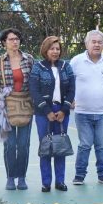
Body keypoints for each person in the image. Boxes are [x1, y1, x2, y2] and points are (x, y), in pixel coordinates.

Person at [69, 30, 103, 185]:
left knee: (102, 146)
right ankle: (79, 175)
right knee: (85, 145)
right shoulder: (76, 61)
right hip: (82, 112)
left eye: (100, 42)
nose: (97, 44)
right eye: (93, 41)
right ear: (86, 43)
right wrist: (71, 99)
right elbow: (68, 83)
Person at [0, 28, 35, 190]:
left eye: (17, 38)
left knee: (23, 144)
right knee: (9, 145)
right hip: (7, 107)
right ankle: (10, 177)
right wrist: (5, 97)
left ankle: (21, 177)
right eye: (11, 39)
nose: (15, 41)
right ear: (4, 42)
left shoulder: (29, 59)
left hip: (26, 104)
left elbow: (34, 81)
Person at [30, 35, 75, 192]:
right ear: (45, 50)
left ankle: (60, 181)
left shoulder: (66, 67)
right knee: (46, 147)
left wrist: (64, 110)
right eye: (52, 48)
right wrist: (47, 111)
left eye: (57, 49)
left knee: (60, 147)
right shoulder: (37, 67)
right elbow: (34, 90)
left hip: (62, 112)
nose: (55, 51)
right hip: (44, 113)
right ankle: (46, 182)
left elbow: (72, 90)